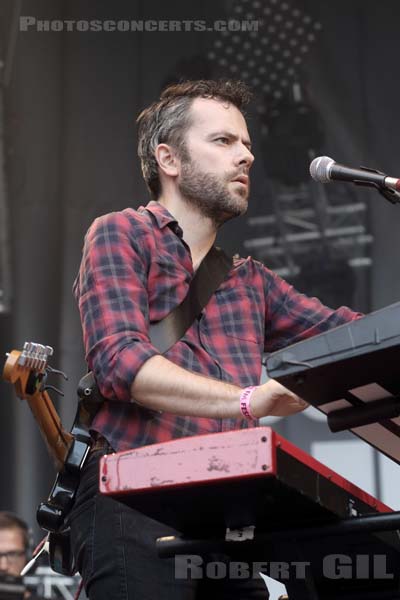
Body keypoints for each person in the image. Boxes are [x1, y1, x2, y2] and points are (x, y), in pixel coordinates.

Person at [69, 79, 360, 599]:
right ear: (169, 159)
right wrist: (249, 400)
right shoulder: (120, 233)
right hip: (133, 495)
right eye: (224, 141)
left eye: (246, 144)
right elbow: (120, 363)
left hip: (223, 511)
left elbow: (355, 338)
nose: (246, 155)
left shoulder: (253, 281)